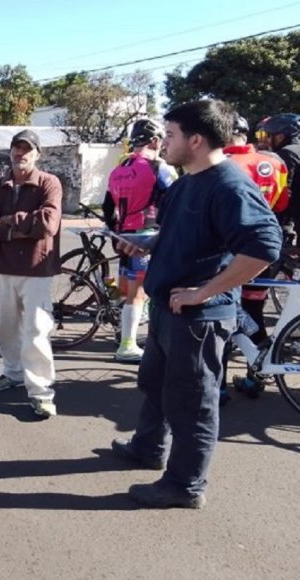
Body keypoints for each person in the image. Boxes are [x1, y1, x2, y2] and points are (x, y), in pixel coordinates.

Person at [110, 100, 282, 509]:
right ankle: (147, 448)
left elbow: (264, 248)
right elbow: (181, 235)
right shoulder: (187, 183)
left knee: (193, 404)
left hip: (200, 317)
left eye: (169, 135)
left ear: (196, 140)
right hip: (168, 309)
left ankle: (184, 486)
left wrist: (204, 292)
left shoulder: (229, 185)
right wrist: (145, 242)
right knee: (155, 385)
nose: (162, 143)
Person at [0, 129, 62, 419]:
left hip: (36, 268)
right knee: (7, 327)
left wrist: (9, 223)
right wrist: (20, 228)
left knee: (36, 330)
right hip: (3, 268)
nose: (20, 153)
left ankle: (41, 393)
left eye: (27, 149)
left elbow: (48, 223)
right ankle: (12, 373)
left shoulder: (49, 183)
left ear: (37, 154)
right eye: (16, 148)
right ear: (10, 152)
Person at [220, 114, 290, 402]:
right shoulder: (276, 163)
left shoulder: (222, 164)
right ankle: (255, 377)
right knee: (254, 310)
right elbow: (283, 202)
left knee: (224, 316)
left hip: (231, 251)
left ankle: (218, 386)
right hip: (266, 249)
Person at [103, 118, 175, 362]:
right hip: (148, 235)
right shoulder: (159, 168)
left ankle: (123, 332)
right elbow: (175, 200)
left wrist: (116, 231)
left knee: (126, 290)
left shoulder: (119, 168)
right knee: (139, 293)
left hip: (123, 233)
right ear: (155, 141)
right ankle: (127, 344)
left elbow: (106, 206)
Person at [260, 114, 300, 239]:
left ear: (280, 136)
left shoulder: (287, 153)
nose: (263, 139)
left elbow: (283, 192)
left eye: (266, 135)